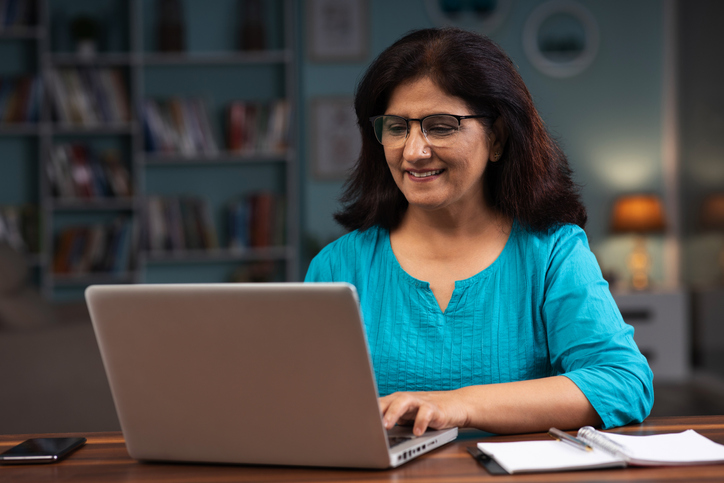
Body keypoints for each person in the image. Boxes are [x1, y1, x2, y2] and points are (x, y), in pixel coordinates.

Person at [305, 27, 653, 436]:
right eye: (397, 127)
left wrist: (457, 405)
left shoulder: (553, 252)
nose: (413, 151)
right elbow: (305, 406)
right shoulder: (337, 266)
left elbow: (623, 384)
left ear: (498, 138)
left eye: (440, 126)